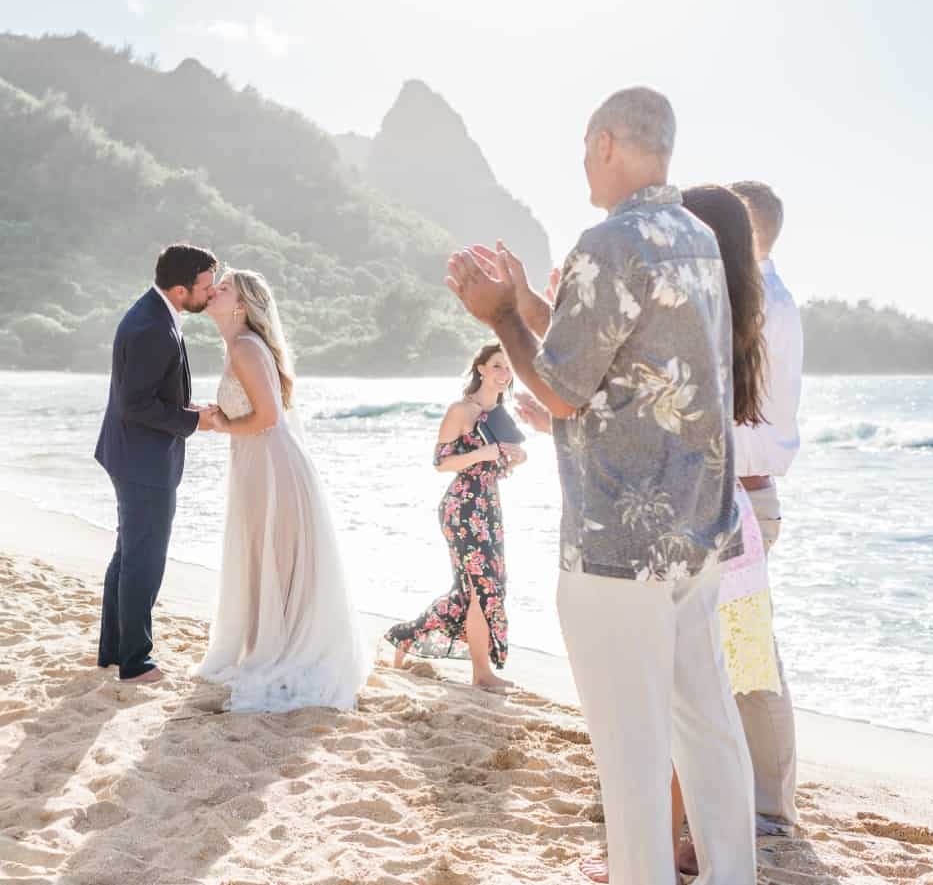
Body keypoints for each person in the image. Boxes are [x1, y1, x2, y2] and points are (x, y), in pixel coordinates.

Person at [447, 87, 755, 885]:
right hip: (696, 532)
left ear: (609, 142)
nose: (582, 162)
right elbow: (614, 346)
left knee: (631, 753)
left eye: (585, 147)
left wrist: (498, 318)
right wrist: (525, 301)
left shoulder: (609, 241)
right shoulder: (693, 236)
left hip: (618, 542)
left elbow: (559, 390)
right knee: (708, 725)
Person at [558, 183, 775, 881]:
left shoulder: (716, 304)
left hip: (685, 521)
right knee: (716, 698)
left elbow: (583, 388)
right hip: (720, 518)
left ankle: (681, 851)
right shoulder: (739, 309)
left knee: (677, 710)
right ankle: (728, 851)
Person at [192, 269, 372, 711]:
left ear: (242, 304)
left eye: (225, 287)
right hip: (257, 462)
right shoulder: (239, 346)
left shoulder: (246, 346)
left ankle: (281, 648)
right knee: (263, 554)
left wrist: (223, 424)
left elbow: (268, 418)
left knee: (274, 554)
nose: (214, 290)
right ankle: (268, 642)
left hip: (271, 466)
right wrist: (225, 422)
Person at [95, 244, 220, 684]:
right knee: (144, 560)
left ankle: (113, 652)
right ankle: (135, 662)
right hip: (141, 459)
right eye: (206, 286)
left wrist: (188, 407)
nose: (213, 293)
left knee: (129, 554)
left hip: (131, 452)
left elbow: (146, 395)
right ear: (181, 288)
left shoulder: (154, 313)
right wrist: (194, 421)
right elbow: (136, 405)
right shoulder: (152, 326)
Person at [383, 343, 527, 692]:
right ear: (480, 369)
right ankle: (481, 675)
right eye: (497, 366)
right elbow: (441, 462)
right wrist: (486, 452)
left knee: (479, 590)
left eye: (508, 368)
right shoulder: (461, 410)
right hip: (462, 508)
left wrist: (515, 457)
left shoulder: (501, 416)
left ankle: (406, 636)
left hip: (489, 508)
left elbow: (501, 465)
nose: (503, 374)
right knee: (481, 589)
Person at [728, 178, 803, 832]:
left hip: (746, 501)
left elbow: (769, 439)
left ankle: (772, 807)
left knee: (750, 660)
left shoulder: (770, 309)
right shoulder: (736, 303)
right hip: (719, 498)